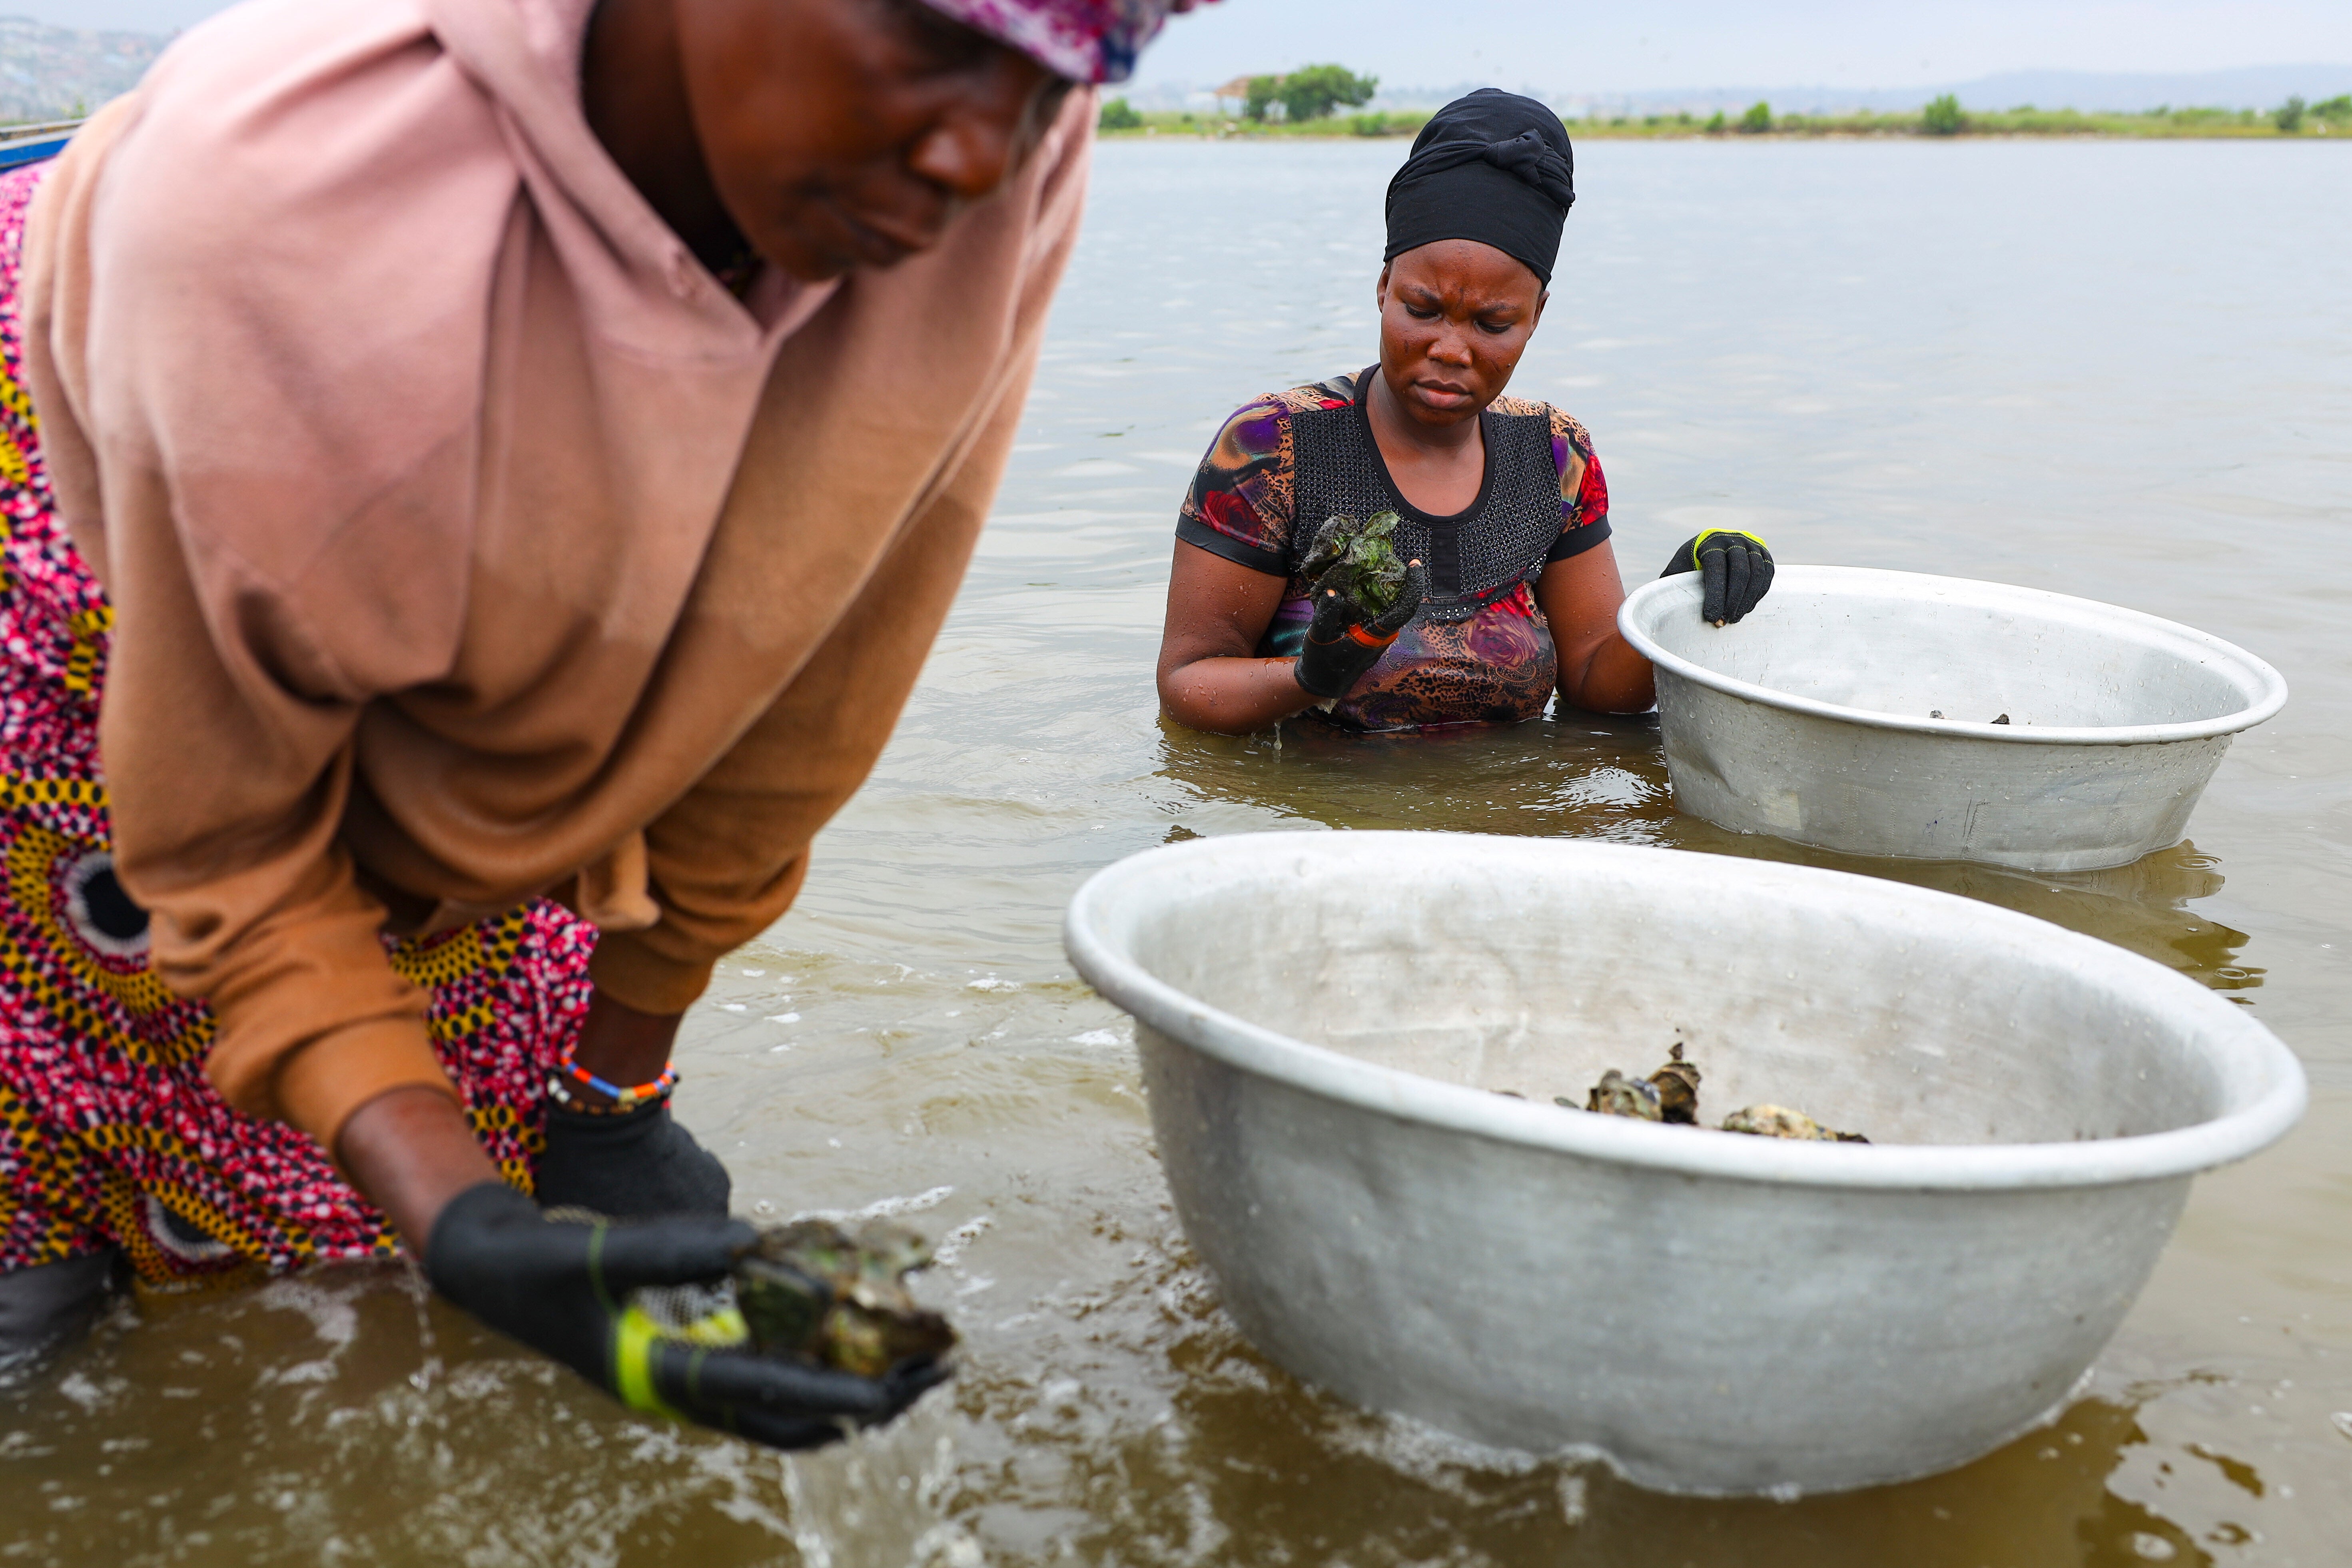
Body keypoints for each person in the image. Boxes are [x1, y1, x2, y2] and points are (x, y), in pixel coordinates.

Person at [0, 0, 1201, 1447]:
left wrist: (613, 1094)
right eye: (929, 41)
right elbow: (233, 853)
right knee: (76, 1148)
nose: (974, 153)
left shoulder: (1000, 138)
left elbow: (808, 672)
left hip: (510, 626)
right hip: (96, 574)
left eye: (1060, 82)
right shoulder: (269, 207)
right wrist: (454, 1217)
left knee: (422, 1217)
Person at [1157, 90, 1774, 737]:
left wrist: (1682, 590)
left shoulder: (1556, 454)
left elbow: (1600, 684)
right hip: (1322, 827)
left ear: (1535, 317)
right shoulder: (1273, 444)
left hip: (1506, 826)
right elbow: (1188, 683)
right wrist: (1310, 679)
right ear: (1383, 287)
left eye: (1492, 323)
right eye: (1422, 309)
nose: (1451, 349)